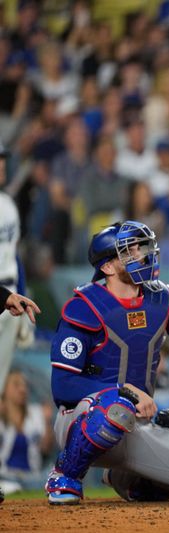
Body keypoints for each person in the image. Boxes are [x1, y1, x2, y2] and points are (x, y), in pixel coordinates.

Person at [44, 220, 169, 505]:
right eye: (130, 250)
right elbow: (63, 386)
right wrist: (125, 390)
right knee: (116, 408)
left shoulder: (161, 297)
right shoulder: (85, 306)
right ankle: (65, 475)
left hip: (138, 423)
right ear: (107, 267)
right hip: (82, 419)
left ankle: (129, 480)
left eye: (142, 246)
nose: (142, 254)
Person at [0, 140, 41, 398]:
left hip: (10, 295)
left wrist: (24, 298)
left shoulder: (7, 205)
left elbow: (14, 255)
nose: (2, 167)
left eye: (3, 161)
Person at [0, 369, 55, 493]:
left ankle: (13, 488)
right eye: (16, 385)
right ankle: (10, 487)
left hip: (32, 477)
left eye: (24, 385)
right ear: (4, 389)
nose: (22, 389)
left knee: (52, 474)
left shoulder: (36, 413)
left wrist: (47, 422)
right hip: (5, 474)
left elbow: (45, 450)